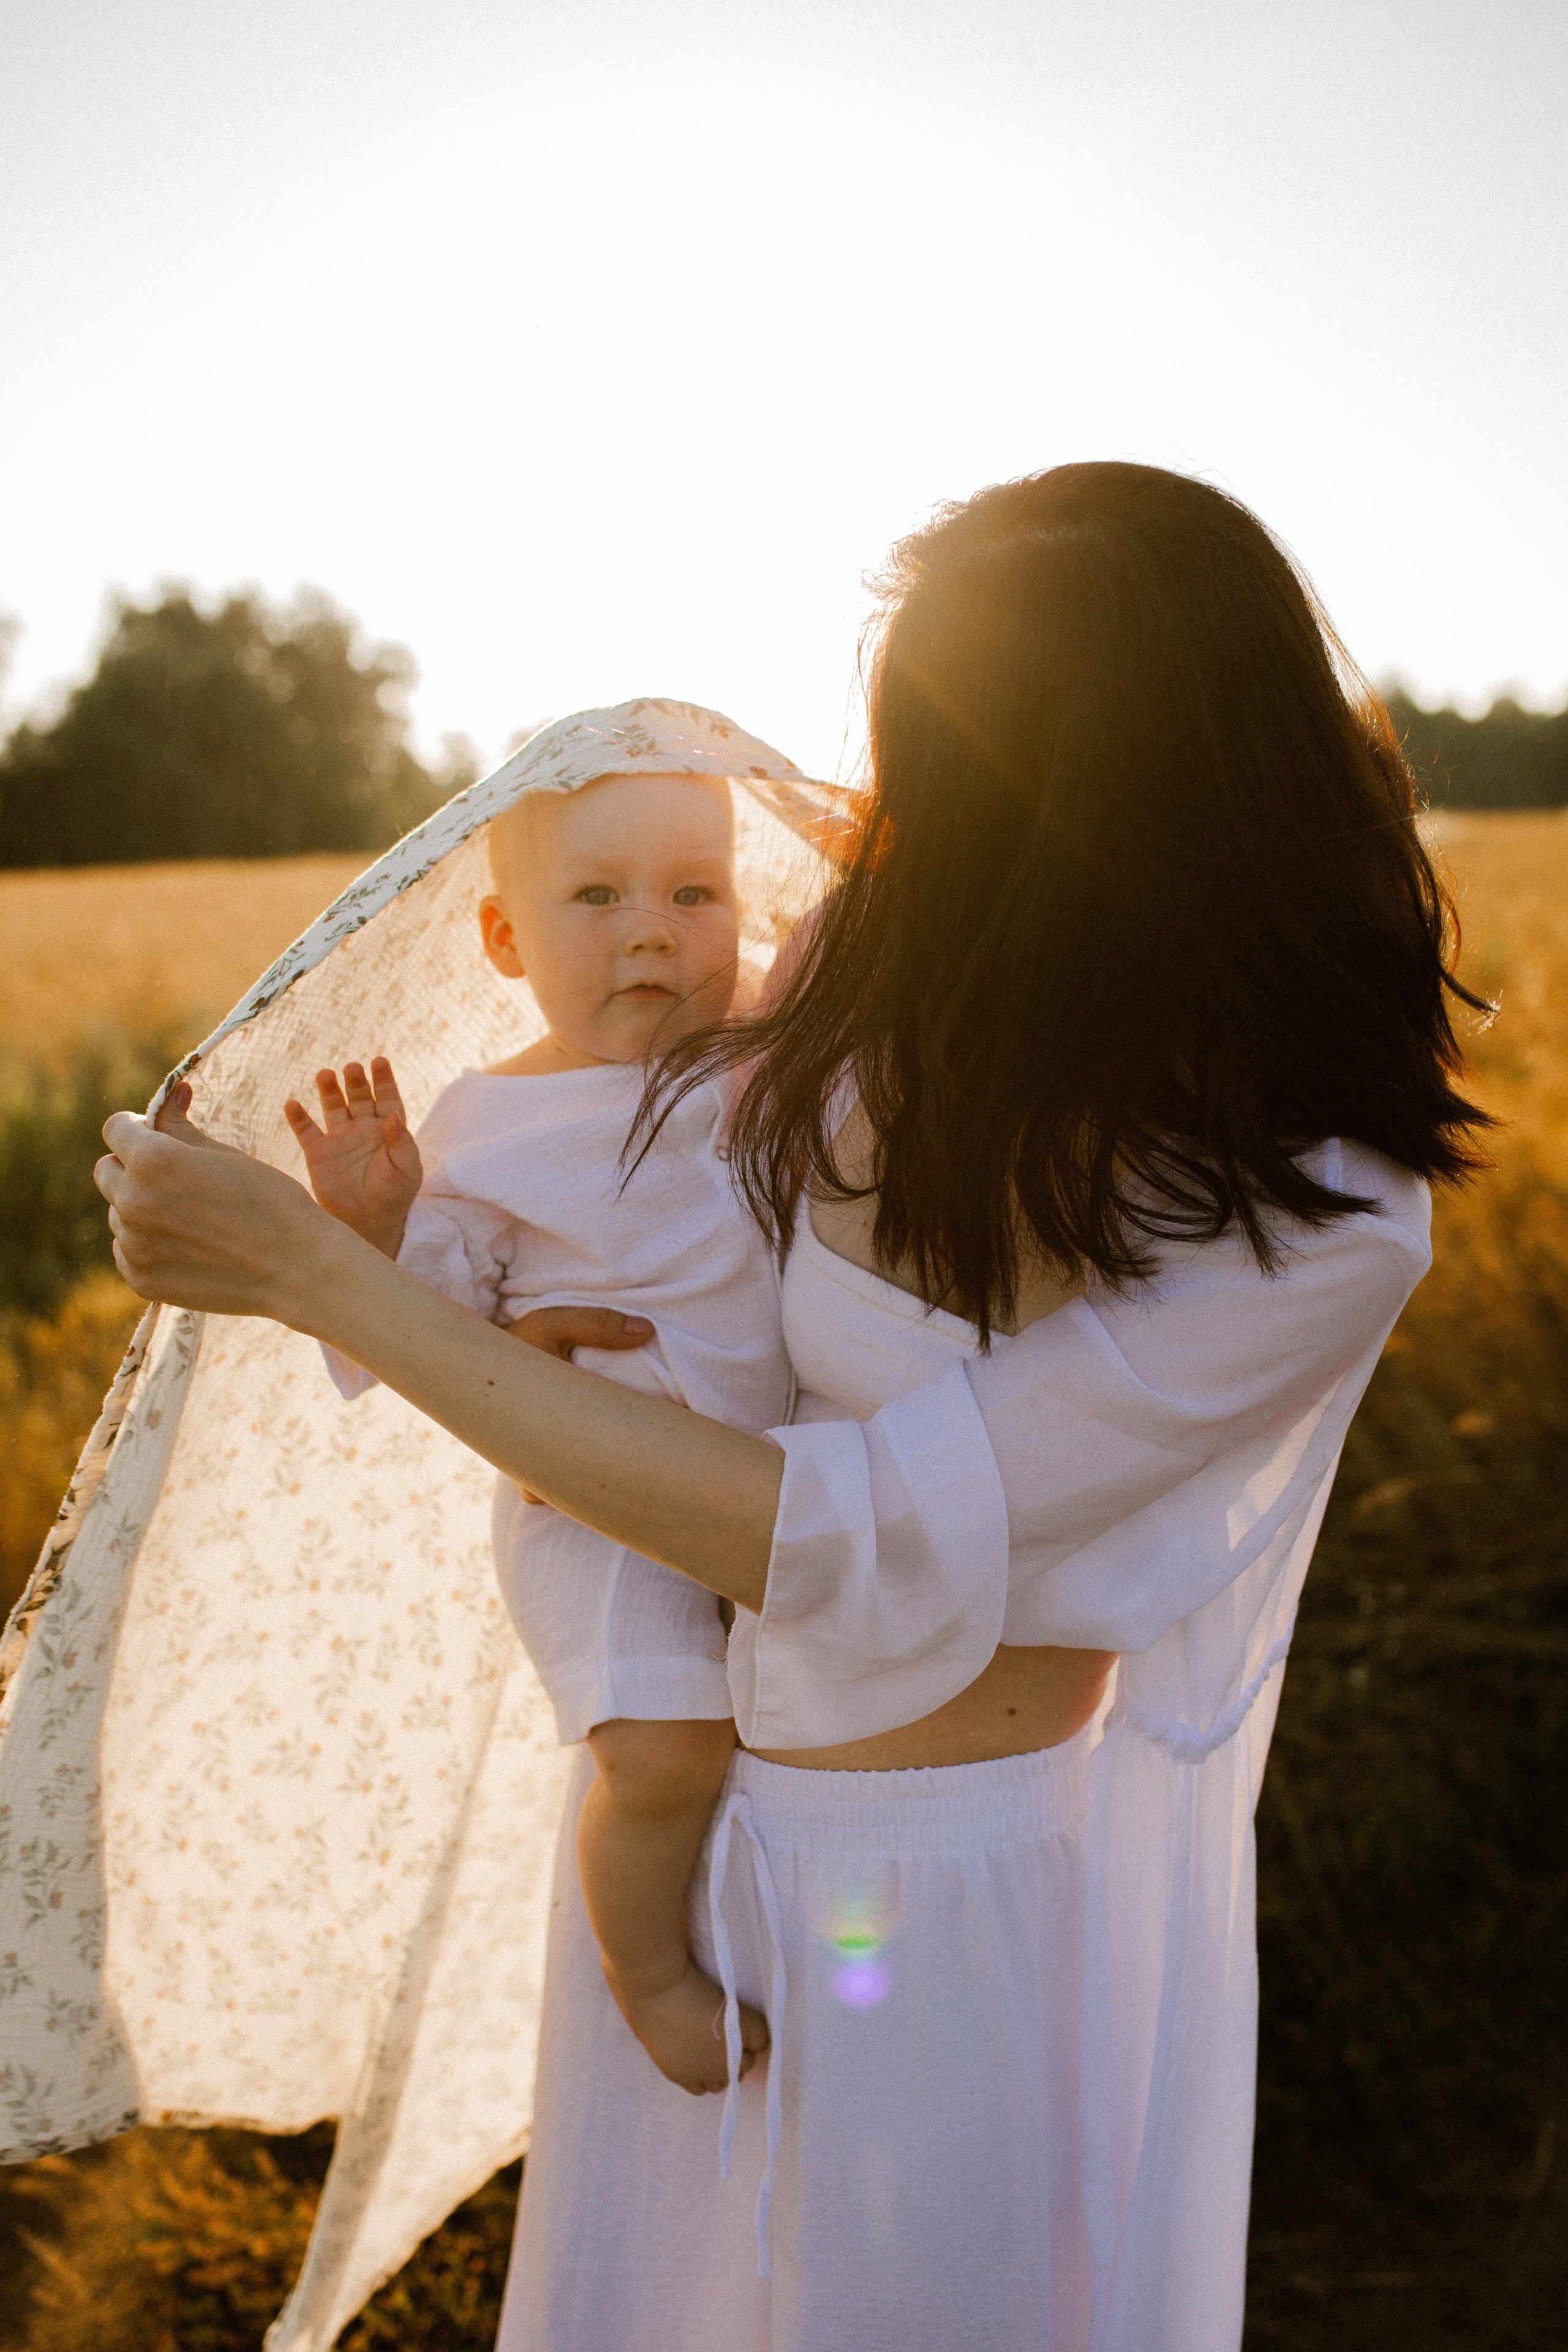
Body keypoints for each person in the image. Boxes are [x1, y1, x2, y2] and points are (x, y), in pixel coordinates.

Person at [97, 462, 1487, 2352]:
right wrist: (306, 1185)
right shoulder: (868, 976)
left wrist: (311, 1278)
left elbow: (831, 1535)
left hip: (934, 1909)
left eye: (950, 773)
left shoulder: (1323, 1211)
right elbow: (573, 1092)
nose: (893, 828)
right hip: (683, 1838)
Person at [282, 764, 785, 2095]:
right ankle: (650, 1973)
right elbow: (423, 1333)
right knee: (665, 1752)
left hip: (770, 1486)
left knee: (775, 1736)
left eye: (696, 892)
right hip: (593, 1509)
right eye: (595, 897)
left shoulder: (760, 1057)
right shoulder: (488, 1124)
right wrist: (377, 1229)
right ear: (506, 940)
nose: (650, 931)